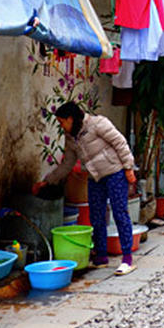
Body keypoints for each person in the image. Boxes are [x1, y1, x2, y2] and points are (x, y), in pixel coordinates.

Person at [33, 102, 137, 276]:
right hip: (95, 178)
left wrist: (128, 168)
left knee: (120, 213)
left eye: (61, 121)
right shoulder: (70, 136)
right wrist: (48, 181)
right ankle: (101, 257)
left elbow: (120, 142)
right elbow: (67, 163)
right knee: (96, 215)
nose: (60, 126)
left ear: (71, 118)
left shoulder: (98, 124)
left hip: (115, 173)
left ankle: (127, 259)